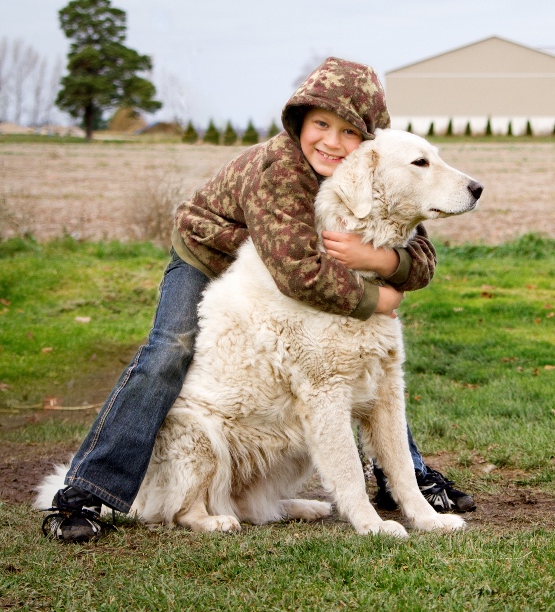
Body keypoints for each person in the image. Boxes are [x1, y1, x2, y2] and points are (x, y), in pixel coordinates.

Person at [41, 57, 475, 543]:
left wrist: (379, 263)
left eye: (349, 131)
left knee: (363, 365)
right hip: (211, 256)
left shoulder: (368, 175)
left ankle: (404, 481)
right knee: (170, 351)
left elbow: (419, 257)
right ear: (299, 124)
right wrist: (378, 300)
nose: (332, 141)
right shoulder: (281, 170)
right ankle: (84, 490)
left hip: (272, 270)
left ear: (368, 142)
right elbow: (300, 273)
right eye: (320, 125)